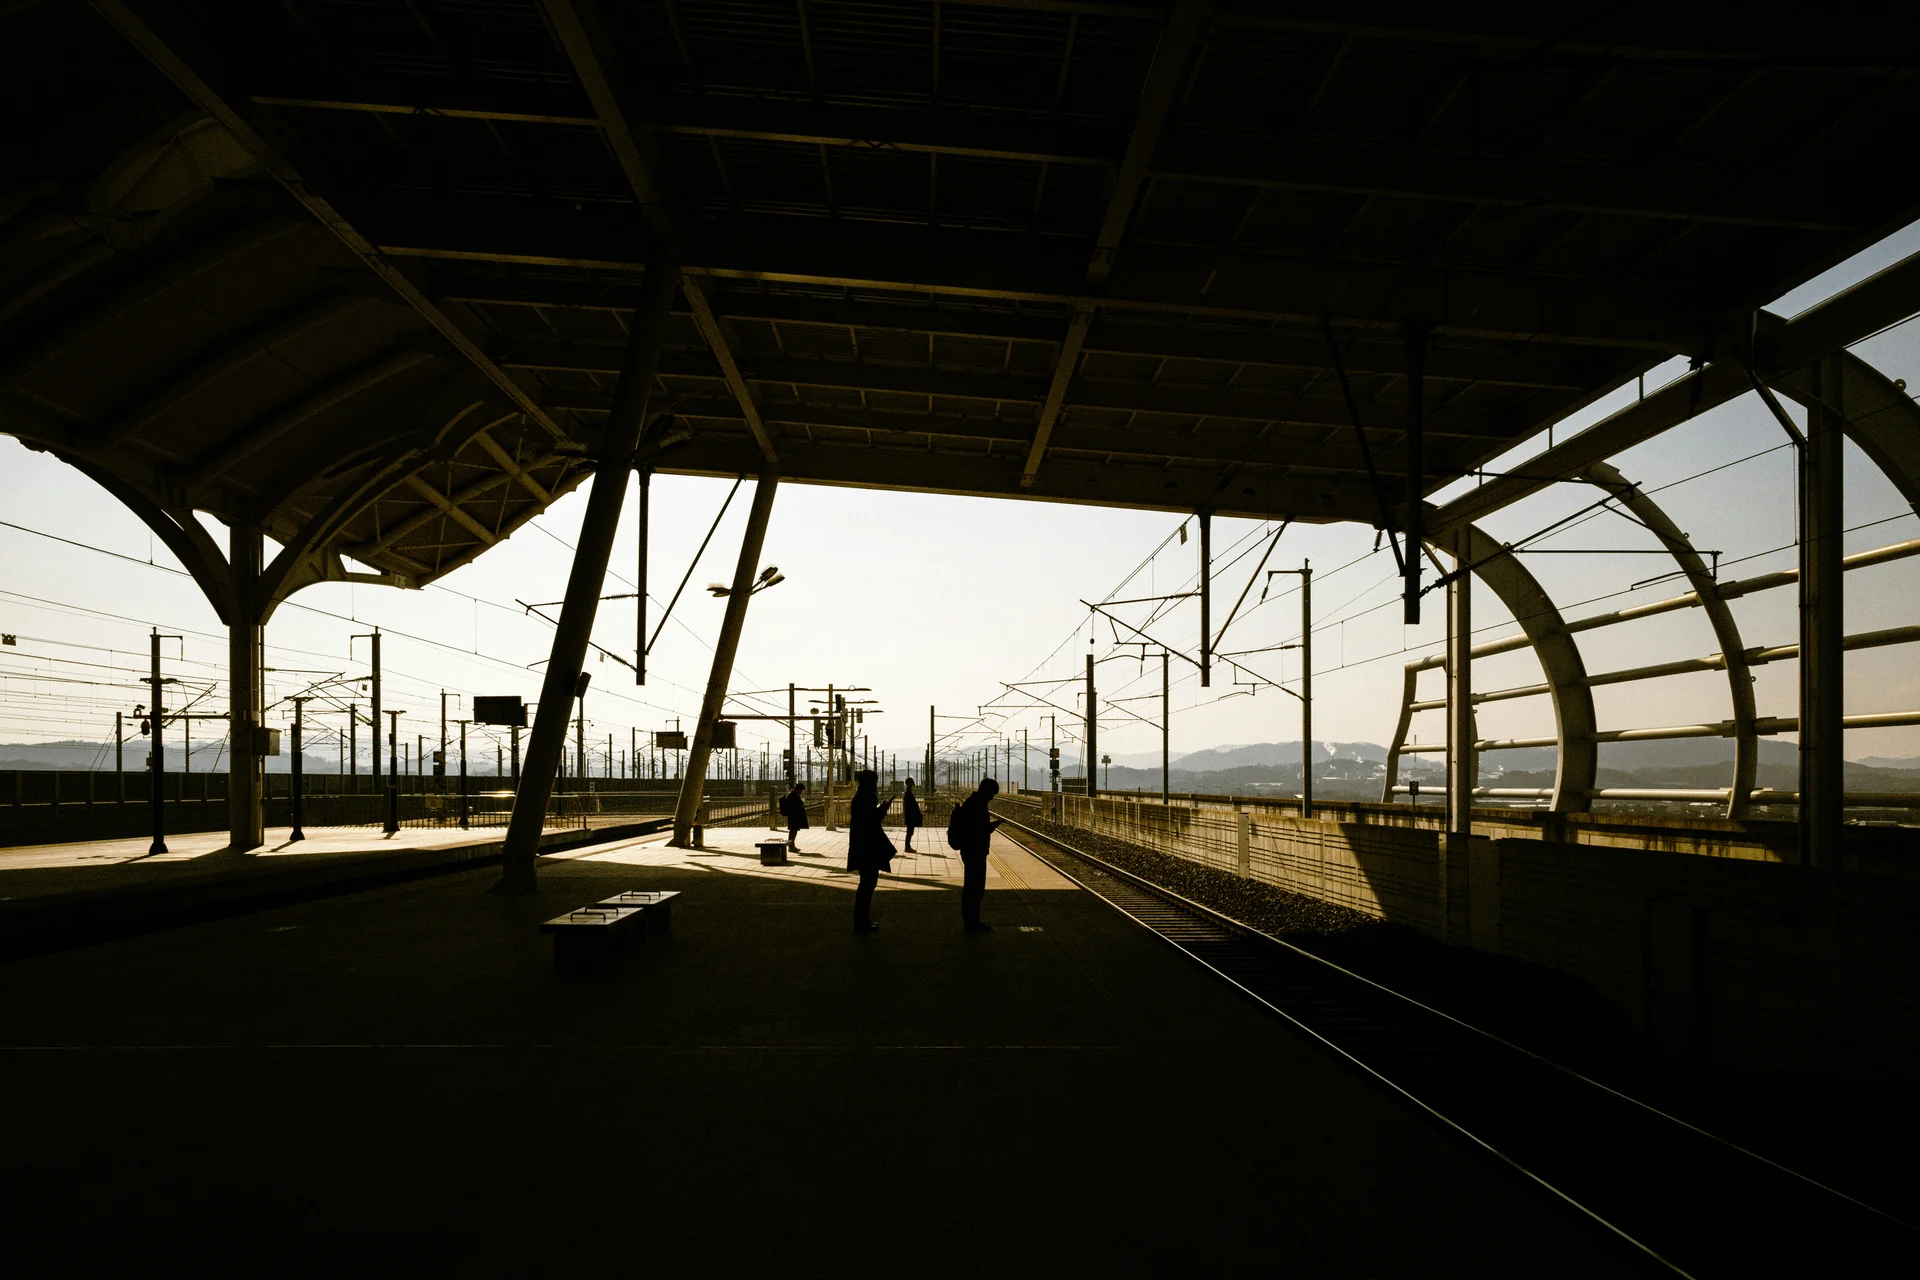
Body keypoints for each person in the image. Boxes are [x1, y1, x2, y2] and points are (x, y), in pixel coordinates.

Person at [947, 777, 1003, 932]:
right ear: (986, 791)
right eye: (992, 794)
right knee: (975, 888)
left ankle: (971, 920)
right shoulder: (977, 806)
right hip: (975, 851)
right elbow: (976, 830)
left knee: (972, 887)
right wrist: (990, 827)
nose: (992, 797)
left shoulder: (973, 803)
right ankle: (972, 922)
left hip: (972, 850)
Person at [846, 769, 894, 932]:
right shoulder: (866, 797)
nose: (875, 785)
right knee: (868, 884)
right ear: (869, 783)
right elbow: (871, 820)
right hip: (868, 847)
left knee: (866, 884)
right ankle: (861, 921)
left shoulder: (860, 797)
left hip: (862, 846)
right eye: (874, 782)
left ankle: (861, 920)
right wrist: (883, 809)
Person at [778, 781, 809, 853]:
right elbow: (794, 806)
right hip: (794, 816)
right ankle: (791, 846)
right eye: (801, 790)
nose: (801, 792)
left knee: (794, 831)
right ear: (798, 789)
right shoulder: (793, 795)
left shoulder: (793, 794)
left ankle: (792, 845)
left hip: (794, 816)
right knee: (793, 831)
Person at [901, 777, 923, 853]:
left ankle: (908, 846)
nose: (914, 783)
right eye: (912, 781)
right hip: (910, 816)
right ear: (909, 783)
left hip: (910, 816)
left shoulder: (908, 792)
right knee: (909, 832)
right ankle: (907, 847)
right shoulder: (908, 793)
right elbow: (910, 806)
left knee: (910, 832)